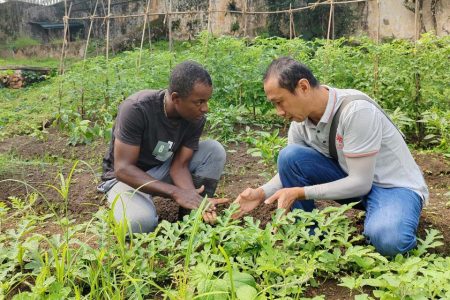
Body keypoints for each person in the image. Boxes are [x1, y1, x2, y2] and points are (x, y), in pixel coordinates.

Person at [234, 57, 428, 256]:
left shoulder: (355, 111)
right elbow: (291, 168)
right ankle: (308, 238)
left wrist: (301, 192)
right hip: (353, 182)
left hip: (393, 187)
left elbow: (361, 183)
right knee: (289, 156)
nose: (279, 112)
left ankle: (393, 215)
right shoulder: (300, 123)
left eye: (280, 102)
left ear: (303, 87)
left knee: (389, 241)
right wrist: (261, 193)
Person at [98, 61, 227, 233]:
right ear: (175, 98)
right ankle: (127, 203)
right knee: (138, 223)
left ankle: (191, 219)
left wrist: (193, 198)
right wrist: (175, 192)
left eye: (207, 101)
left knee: (213, 150)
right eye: (199, 102)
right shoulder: (137, 109)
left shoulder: (195, 118)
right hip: (126, 179)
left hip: (161, 169)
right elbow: (123, 169)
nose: (205, 108)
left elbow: (179, 166)